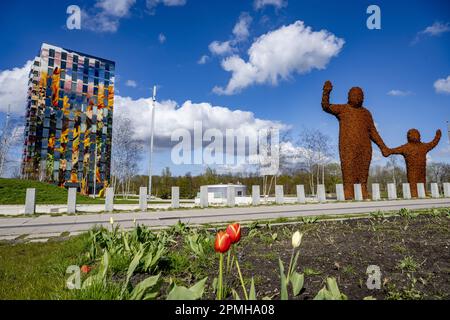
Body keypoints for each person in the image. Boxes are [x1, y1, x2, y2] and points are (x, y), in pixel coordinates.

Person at [322, 80, 389, 199]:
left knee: (363, 169)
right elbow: (326, 107)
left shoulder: (366, 113)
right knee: (348, 167)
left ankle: (363, 188)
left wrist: (383, 147)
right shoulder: (343, 109)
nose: (357, 97)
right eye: (354, 95)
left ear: (363, 98)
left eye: (360, 95)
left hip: (365, 146)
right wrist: (326, 93)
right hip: (347, 146)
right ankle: (348, 189)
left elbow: (373, 132)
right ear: (348, 97)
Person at [385, 129, 441, 198]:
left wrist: (437, 136)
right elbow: (391, 151)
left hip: (422, 171)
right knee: (413, 183)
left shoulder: (423, 146)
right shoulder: (406, 147)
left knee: (422, 181)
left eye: (412, 134)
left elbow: (433, 143)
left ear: (419, 136)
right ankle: (414, 194)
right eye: (409, 134)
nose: (410, 135)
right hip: (412, 172)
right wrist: (386, 150)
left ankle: (422, 193)